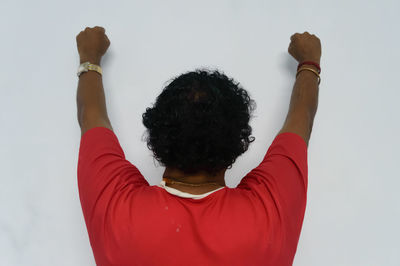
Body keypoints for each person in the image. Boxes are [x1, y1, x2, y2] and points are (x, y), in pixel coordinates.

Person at [76, 26, 321, 266]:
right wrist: (309, 63)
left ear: (157, 135)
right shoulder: (268, 215)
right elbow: (301, 120)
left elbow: (91, 116)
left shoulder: (117, 212)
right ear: (238, 143)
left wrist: (90, 59)